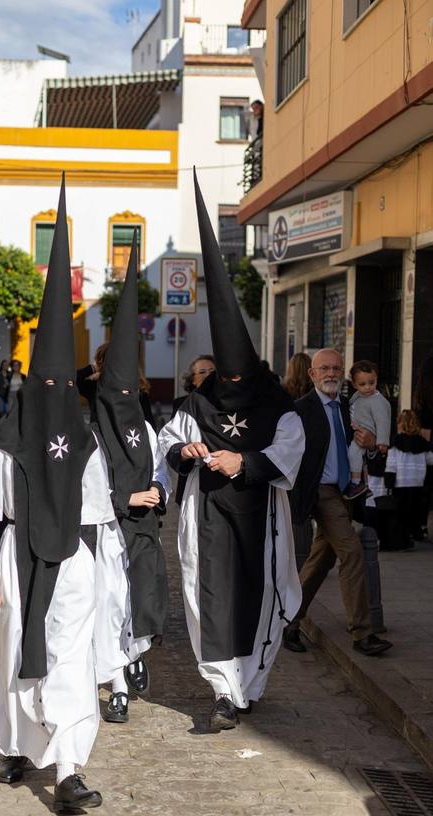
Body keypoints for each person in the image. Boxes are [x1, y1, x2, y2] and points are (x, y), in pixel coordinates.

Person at [0, 177, 112, 813]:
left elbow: (99, 513)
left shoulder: (86, 438)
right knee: (16, 657)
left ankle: (70, 771)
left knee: (71, 663)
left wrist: (104, 576)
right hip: (18, 558)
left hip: (72, 558)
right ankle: (19, 747)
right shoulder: (6, 436)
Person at [159, 171, 305, 732]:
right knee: (211, 596)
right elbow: (168, 445)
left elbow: (289, 451)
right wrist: (189, 450)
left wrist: (244, 462)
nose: (234, 384)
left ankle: (250, 683)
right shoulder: (197, 402)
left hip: (261, 517)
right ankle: (223, 690)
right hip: (208, 516)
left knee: (257, 595)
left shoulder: (276, 404)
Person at [93, 238, 171, 724]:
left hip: (142, 531)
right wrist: (124, 496)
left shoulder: (143, 427)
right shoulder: (90, 434)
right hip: (104, 532)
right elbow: (84, 484)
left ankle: (137, 652)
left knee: (141, 598)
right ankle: (117, 683)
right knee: (109, 605)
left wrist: (157, 489)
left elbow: (159, 464)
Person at [285, 348, 393, 657]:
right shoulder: (300, 410)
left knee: (322, 559)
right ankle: (362, 634)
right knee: (353, 553)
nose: (331, 374)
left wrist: (372, 445)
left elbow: (366, 447)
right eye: (325, 369)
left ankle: (290, 622)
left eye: (336, 368)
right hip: (320, 492)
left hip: (346, 491)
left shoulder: (350, 406)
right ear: (312, 374)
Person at [77, 344, 156, 429]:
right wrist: (93, 368)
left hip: (126, 439)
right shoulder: (95, 387)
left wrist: (95, 367)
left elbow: (149, 424)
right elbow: (73, 379)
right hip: (105, 439)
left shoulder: (137, 390)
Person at [171, 355, 216, 505]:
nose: (208, 375)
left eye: (212, 371)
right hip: (194, 473)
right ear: (193, 379)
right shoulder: (181, 404)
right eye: (202, 372)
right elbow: (174, 440)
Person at [385, 410, 433, 547]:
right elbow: (430, 460)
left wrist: (389, 481)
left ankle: (403, 539)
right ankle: (415, 533)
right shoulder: (422, 442)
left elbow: (392, 463)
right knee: (414, 511)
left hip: (401, 482)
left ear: (401, 423)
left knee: (400, 513)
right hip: (418, 482)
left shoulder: (396, 441)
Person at [345, 360, 391, 500]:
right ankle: (363, 485)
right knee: (355, 457)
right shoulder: (358, 395)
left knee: (354, 454)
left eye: (372, 382)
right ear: (354, 384)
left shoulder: (379, 401)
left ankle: (356, 483)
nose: (368, 387)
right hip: (357, 431)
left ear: (376, 379)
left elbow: (383, 421)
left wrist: (382, 441)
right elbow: (351, 404)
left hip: (365, 433)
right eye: (362, 384)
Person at [413, 354, 433, 533]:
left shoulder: (421, 394)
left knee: (425, 488)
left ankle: (421, 524)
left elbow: (424, 429)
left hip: (427, 448)